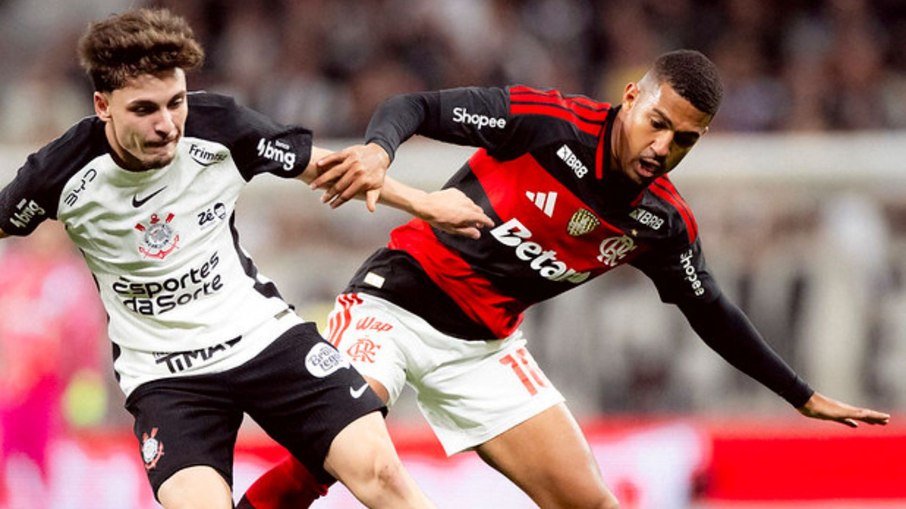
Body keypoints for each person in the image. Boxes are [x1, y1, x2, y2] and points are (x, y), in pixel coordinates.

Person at [242, 49, 891, 508]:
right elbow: (412, 104)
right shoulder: (547, 124)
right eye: (658, 122)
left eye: (684, 140)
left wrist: (801, 394)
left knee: (593, 504)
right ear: (632, 95)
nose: (663, 146)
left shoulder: (659, 222)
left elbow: (710, 309)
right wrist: (379, 151)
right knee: (341, 453)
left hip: (487, 350)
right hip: (396, 301)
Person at [0, 8, 449, 509]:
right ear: (103, 105)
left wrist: (425, 203)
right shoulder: (59, 174)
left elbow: (326, 167)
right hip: (167, 378)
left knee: (383, 473)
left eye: (176, 102)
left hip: (263, 339)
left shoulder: (220, 125)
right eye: (145, 110)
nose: (167, 125)